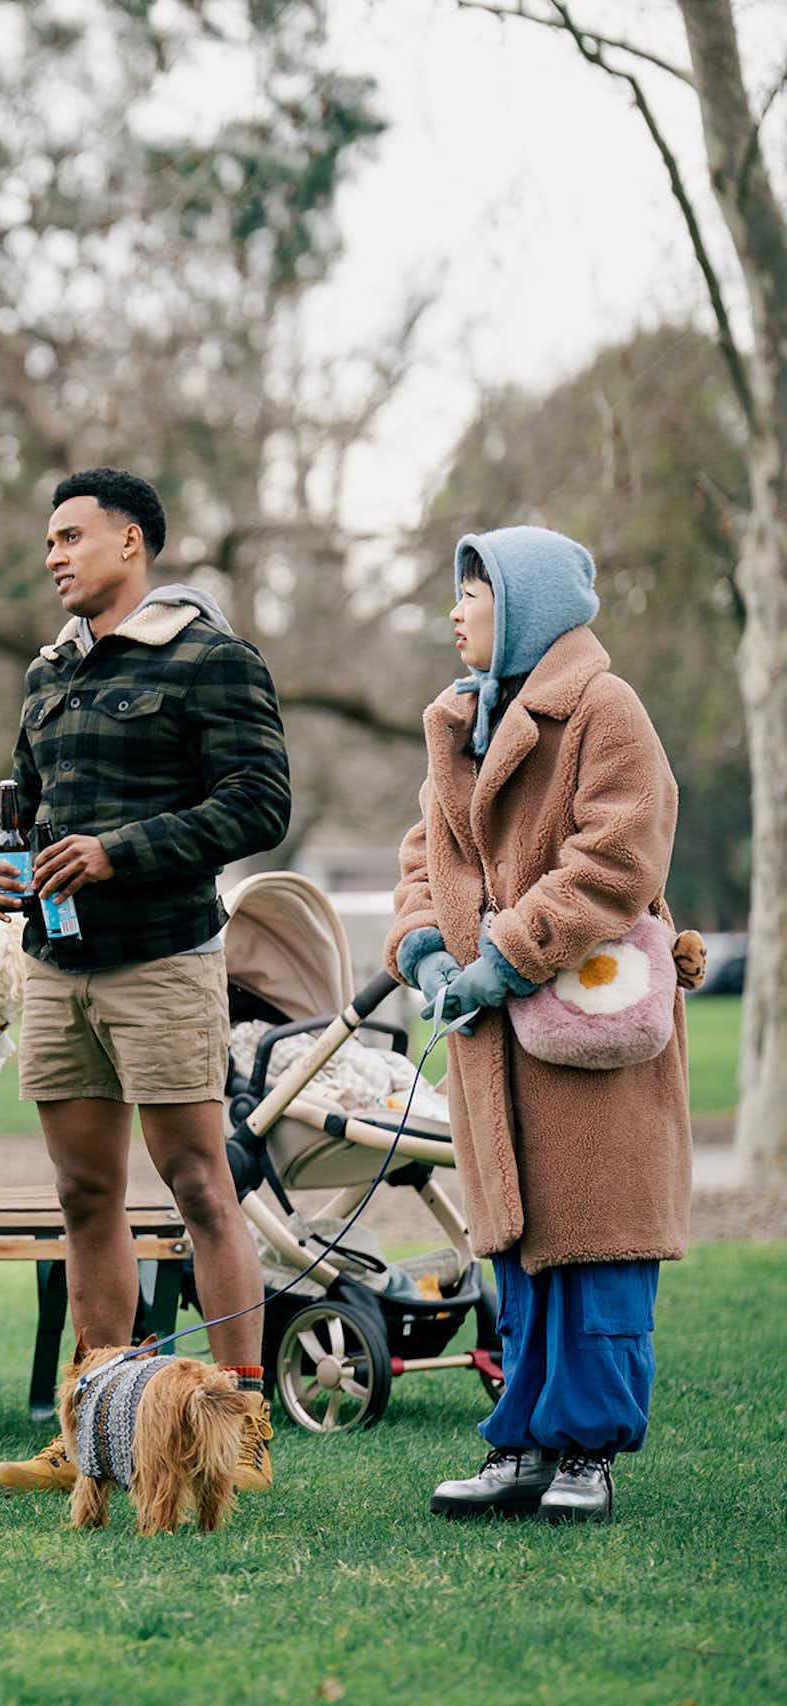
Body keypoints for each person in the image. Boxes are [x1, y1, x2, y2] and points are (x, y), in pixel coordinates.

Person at [0, 468, 291, 1498]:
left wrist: (120, 851)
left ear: (132, 545)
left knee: (199, 1186)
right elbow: (26, 810)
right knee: (84, 1196)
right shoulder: (47, 673)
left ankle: (241, 1430)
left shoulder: (210, 658)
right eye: (47, 541)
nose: (53, 555)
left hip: (165, 961)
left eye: (70, 536)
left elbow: (257, 804)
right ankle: (95, 1431)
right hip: (57, 967)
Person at [392, 528, 686, 1524]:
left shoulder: (604, 709)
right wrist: (424, 946)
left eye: (469, 590)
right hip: (495, 1040)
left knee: (595, 1247)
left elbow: (620, 848)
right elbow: (418, 854)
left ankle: (586, 1452)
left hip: (586, 1024)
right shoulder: (459, 720)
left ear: (522, 600)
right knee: (518, 1251)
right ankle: (521, 1443)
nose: (455, 610)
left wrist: (509, 950)